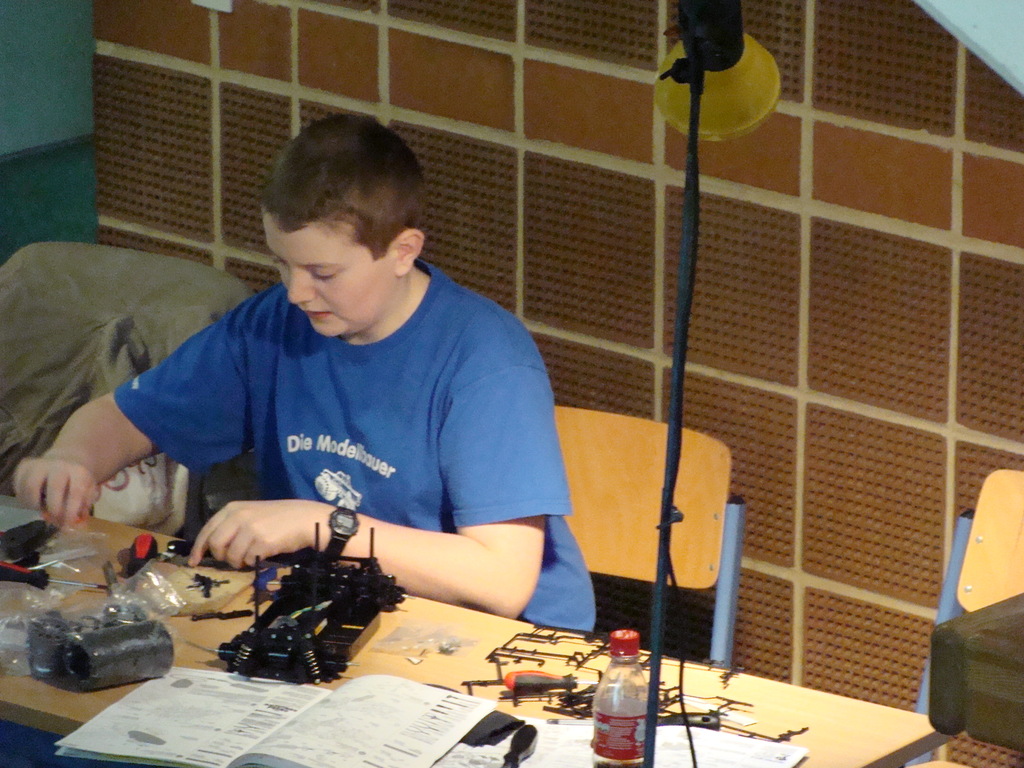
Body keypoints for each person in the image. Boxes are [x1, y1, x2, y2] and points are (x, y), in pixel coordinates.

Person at [13, 113, 596, 632]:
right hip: (340, 609)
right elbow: (127, 416)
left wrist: (322, 524)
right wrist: (72, 459)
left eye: (323, 272)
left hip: (496, 640)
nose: (296, 292)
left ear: (403, 251)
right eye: (282, 265)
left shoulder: (486, 361)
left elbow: (500, 581)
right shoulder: (274, 325)